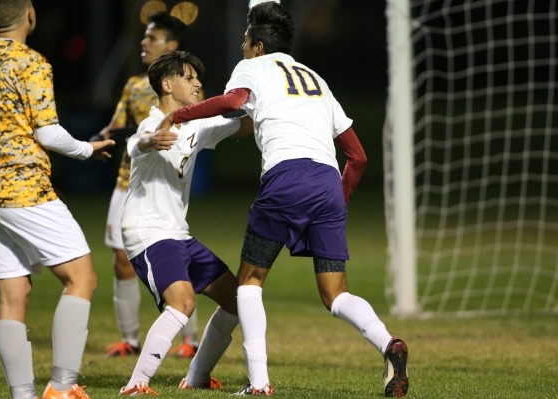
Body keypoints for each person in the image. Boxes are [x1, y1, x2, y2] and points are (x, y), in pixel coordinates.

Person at [156, 2, 410, 397]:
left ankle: (259, 384)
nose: (242, 47)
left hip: (286, 176)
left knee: (249, 283)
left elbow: (234, 100)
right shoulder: (317, 79)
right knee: (335, 293)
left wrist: (183, 114)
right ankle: (388, 343)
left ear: (257, 45)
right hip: (327, 181)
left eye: (244, 41)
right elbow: (357, 157)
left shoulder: (253, 67)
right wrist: (337, 201)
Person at [0, 1, 115, 398]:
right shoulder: (31, 62)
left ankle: (23, 394)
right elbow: (47, 134)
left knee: (12, 296)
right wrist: (87, 149)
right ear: (29, 13)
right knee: (81, 278)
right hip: (23, 188)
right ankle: (62, 387)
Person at [117, 51, 254, 396]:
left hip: (178, 234)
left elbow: (246, 125)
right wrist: (149, 140)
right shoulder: (154, 123)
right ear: (167, 84)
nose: (198, 83)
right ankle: (136, 384)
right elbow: (137, 143)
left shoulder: (196, 124)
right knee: (183, 302)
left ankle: (196, 376)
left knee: (241, 301)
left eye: (197, 78)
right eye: (189, 77)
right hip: (147, 232)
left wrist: (271, 105)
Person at [96, 11, 200, 358]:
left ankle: (191, 339)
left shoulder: (188, 89)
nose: (143, 43)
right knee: (121, 261)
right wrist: (101, 139)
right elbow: (116, 125)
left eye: (151, 38)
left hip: (163, 187)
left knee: (178, 260)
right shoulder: (133, 85)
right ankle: (130, 338)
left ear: (171, 45)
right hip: (128, 182)